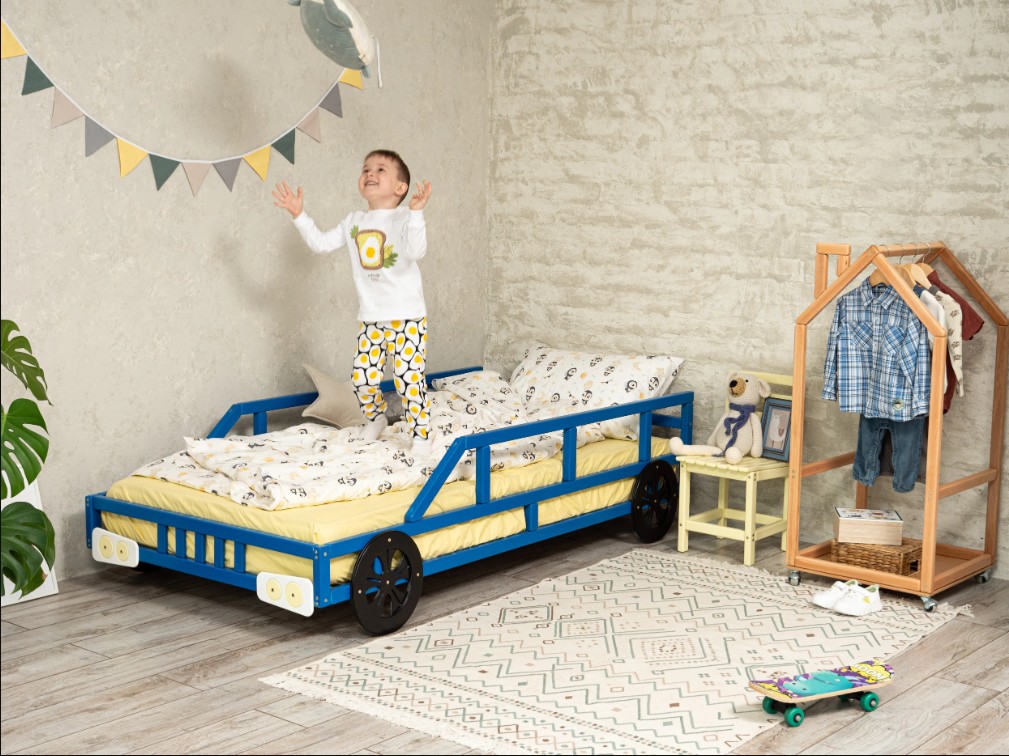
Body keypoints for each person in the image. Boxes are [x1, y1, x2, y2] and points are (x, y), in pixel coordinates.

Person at [273, 150, 433, 455]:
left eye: (381, 169)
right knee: (362, 379)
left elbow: (416, 252)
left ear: (400, 188)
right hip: (371, 318)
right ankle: (376, 419)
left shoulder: (404, 216)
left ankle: (421, 434)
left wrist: (416, 213)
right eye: (366, 169)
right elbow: (321, 243)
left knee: (407, 380)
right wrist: (299, 215)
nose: (370, 173)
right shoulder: (353, 221)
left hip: (408, 317)